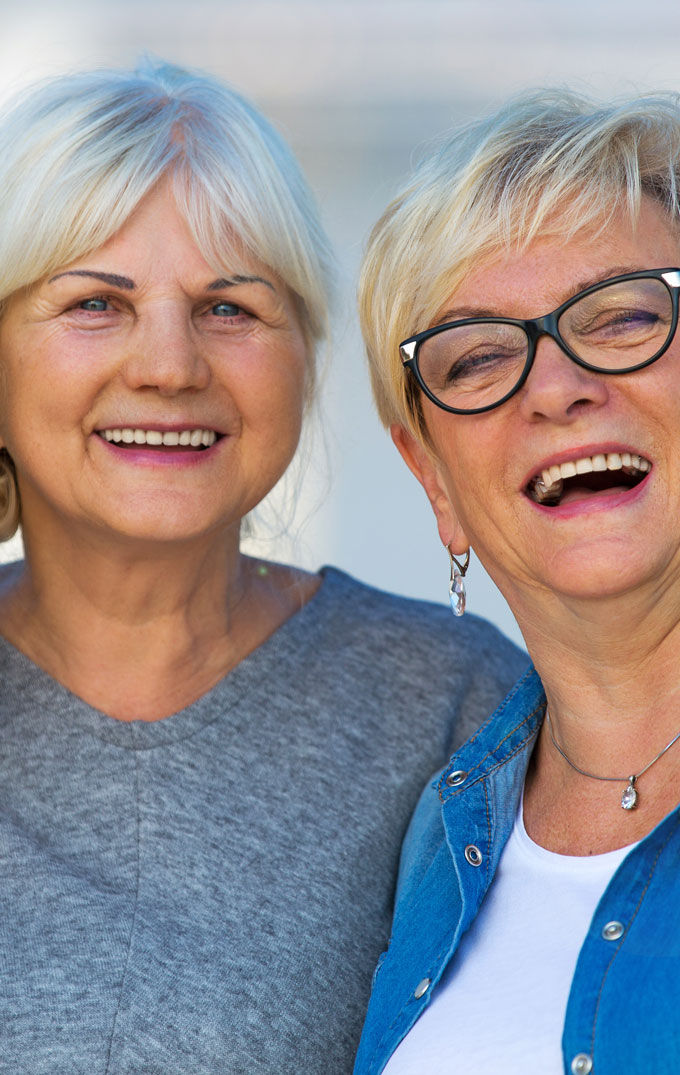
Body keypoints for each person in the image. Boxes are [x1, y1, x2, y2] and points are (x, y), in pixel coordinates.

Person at [0, 61, 528, 1073]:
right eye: (95, 304)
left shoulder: (455, 704)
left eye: (230, 307)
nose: (169, 364)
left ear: (303, 358)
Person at [354, 89, 680, 1074]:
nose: (556, 386)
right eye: (479, 356)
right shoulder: (434, 832)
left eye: (623, 316)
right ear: (434, 480)